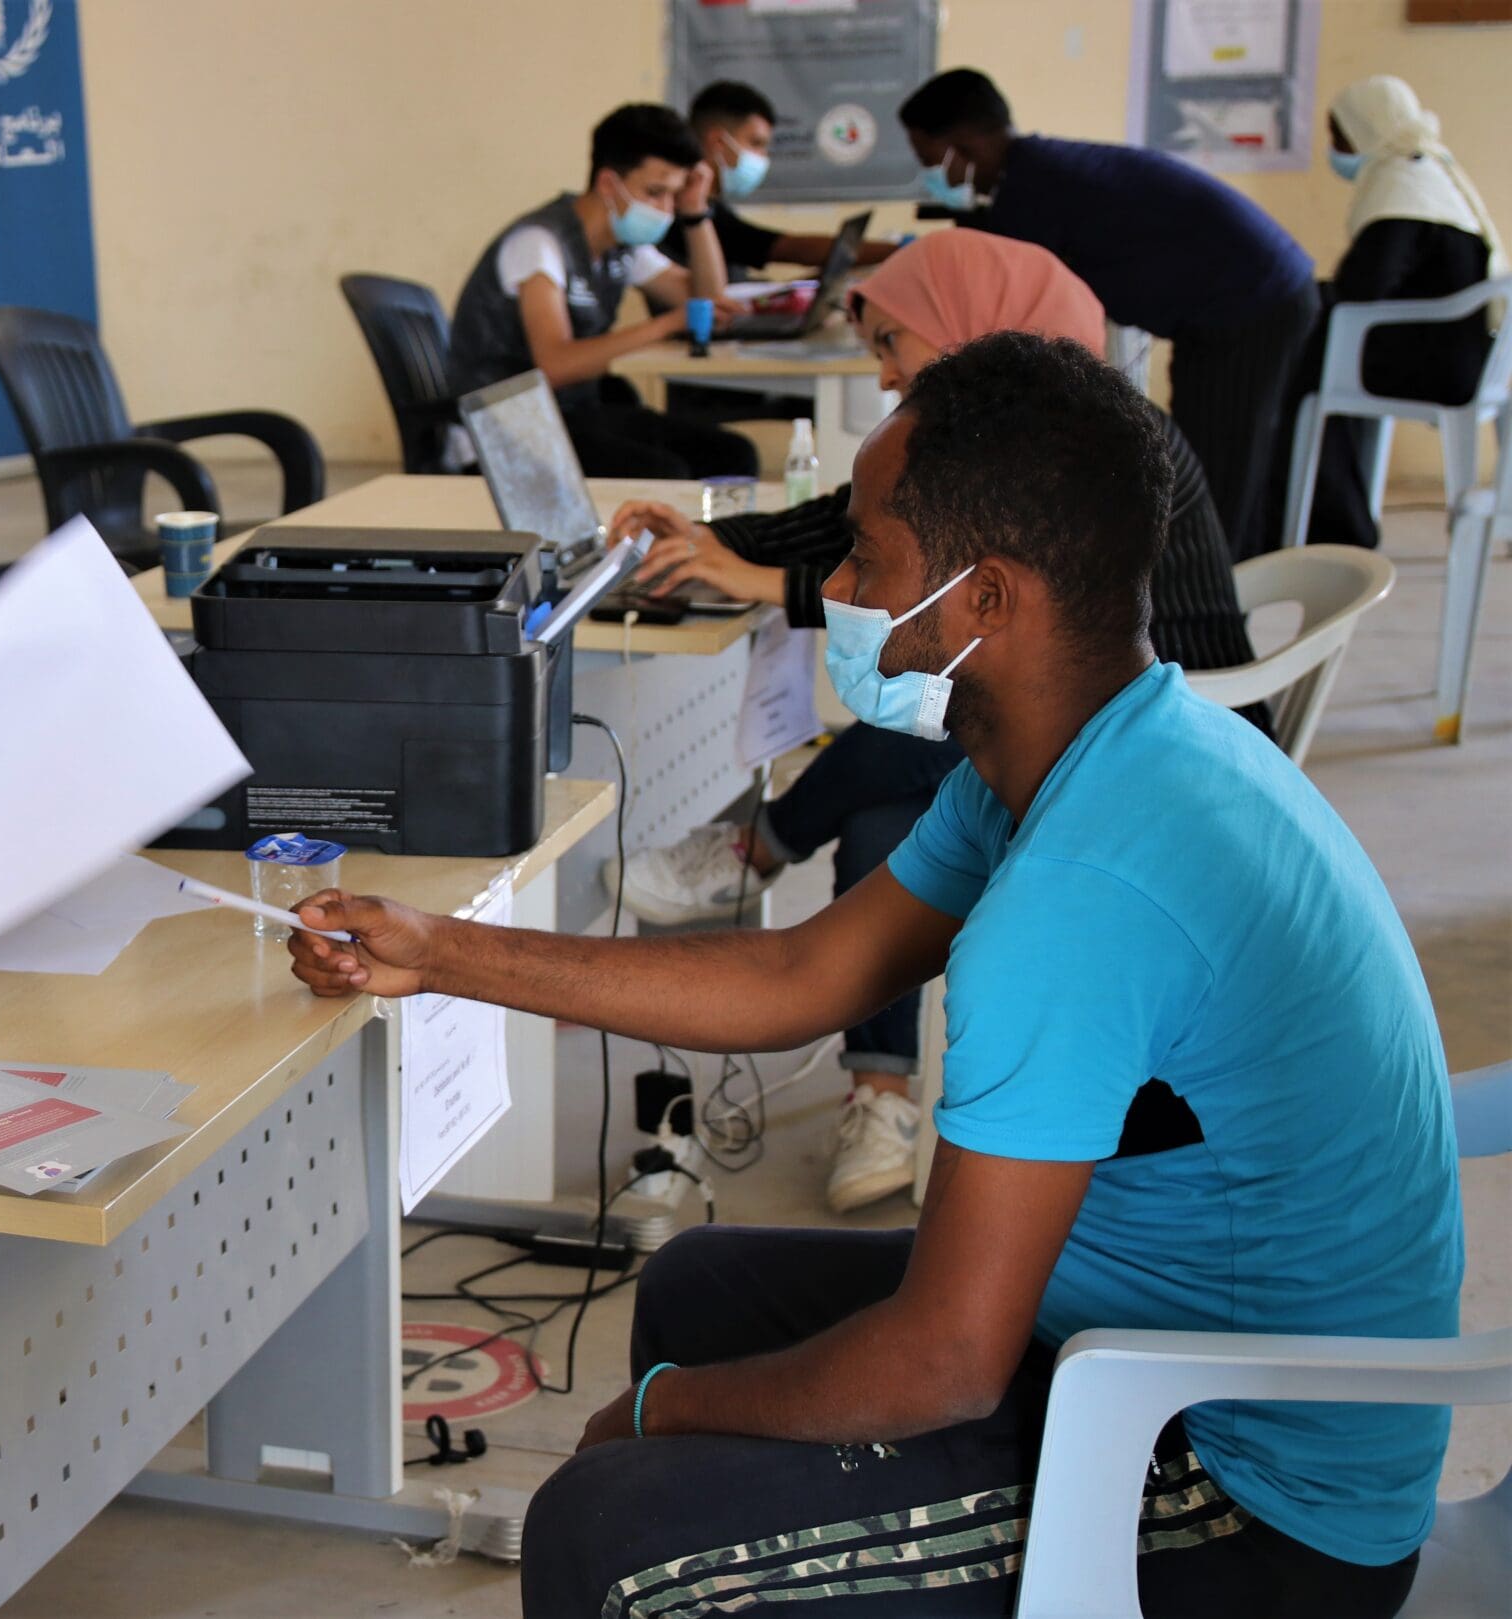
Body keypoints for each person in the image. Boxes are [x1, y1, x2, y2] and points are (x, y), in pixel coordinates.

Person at [290, 332, 1460, 1619]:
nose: (837, 586)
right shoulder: (1109, 753)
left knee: (605, 1534)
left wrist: (658, 1415)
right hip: (1138, 1333)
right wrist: (443, 950)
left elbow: (947, 1359)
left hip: (1251, 1495)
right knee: (694, 1290)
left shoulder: (1078, 894)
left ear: (986, 600)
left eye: (865, 554)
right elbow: (803, 971)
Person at [601, 230, 1256, 1213]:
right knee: (887, 810)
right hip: (1111, 715)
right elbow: (859, 525)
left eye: (893, 339)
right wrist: (717, 541)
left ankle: (755, 851)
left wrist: (762, 578)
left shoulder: (1073, 451)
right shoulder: (1049, 428)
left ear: (964, 327)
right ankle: (879, 1090)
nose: (883, 368)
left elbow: (935, 588)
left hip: (1182, 697)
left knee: (919, 728)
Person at [898, 68, 1319, 561]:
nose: (932, 174)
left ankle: (1211, 606)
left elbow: (1002, 308)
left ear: (963, 146)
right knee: (1216, 462)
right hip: (1250, 293)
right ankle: (1211, 584)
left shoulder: (1033, 189)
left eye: (930, 159)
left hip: (1249, 302)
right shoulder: (1037, 170)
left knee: (1214, 472)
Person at [446, 103, 761, 480]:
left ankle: (717, 540)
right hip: (505, 432)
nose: (664, 209)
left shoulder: (622, 246)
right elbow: (556, 364)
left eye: (673, 196)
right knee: (665, 474)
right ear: (609, 183)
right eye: (655, 192)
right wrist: (665, 325)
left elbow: (707, 301)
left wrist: (694, 212)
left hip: (571, 416)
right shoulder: (540, 242)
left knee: (732, 454)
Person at [1295, 75, 1504, 549]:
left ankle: (1331, 525)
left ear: (1367, 128)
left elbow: (1362, 289)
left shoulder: (1402, 183)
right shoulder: (1430, 173)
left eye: (1340, 137)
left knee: (1295, 364)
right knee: (1315, 352)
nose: (1336, 151)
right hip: (1467, 358)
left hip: (1437, 364)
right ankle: (1334, 517)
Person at [665, 80, 901, 279]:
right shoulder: (684, 210)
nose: (762, 158)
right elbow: (790, 248)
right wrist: (901, 252)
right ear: (718, 141)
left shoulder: (713, 205)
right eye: (756, 144)